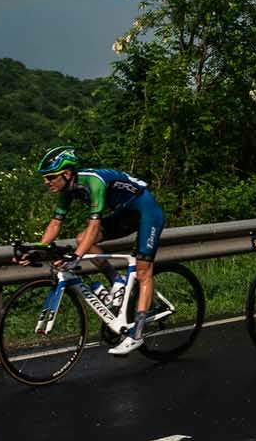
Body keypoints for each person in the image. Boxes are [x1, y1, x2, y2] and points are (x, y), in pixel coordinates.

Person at [25, 146, 165, 356]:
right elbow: (55, 223)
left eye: (51, 177)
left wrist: (76, 256)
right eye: (45, 178)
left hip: (147, 211)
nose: (47, 182)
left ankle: (137, 334)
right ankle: (117, 281)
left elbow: (94, 225)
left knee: (143, 270)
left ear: (67, 174)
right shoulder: (66, 190)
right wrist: (39, 249)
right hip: (125, 214)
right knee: (82, 240)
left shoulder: (94, 181)